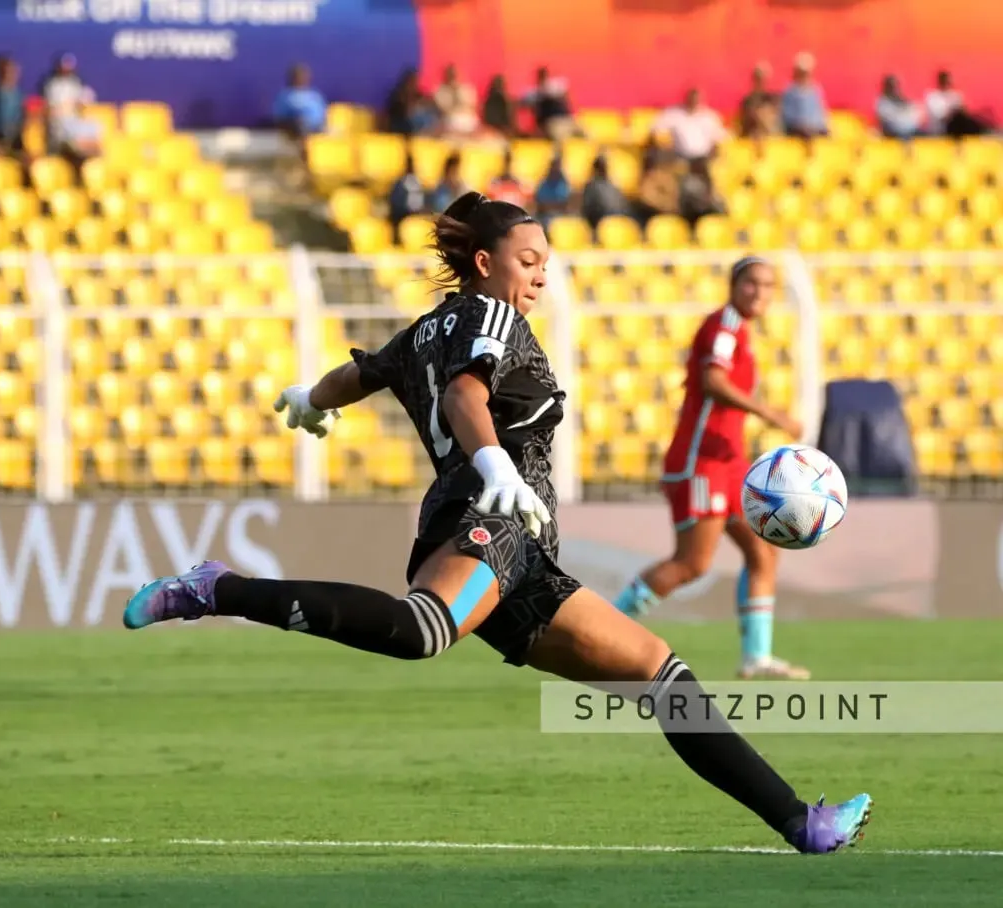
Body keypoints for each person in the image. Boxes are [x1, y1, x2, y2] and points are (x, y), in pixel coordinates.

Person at [122, 196, 870, 854]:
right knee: (422, 631)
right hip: (489, 515)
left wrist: (314, 398)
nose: (542, 274)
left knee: (662, 677)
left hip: (524, 552)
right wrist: (497, 469)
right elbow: (463, 399)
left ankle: (801, 822)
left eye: (547, 262)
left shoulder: (429, 326)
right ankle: (217, 590)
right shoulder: (490, 315)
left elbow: (366, 373)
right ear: (485, 261)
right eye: (529, 259)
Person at [613, 257, 811, 682]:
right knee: (692, 564)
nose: (759, 292)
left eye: (767, 286)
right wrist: (771, 414)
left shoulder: (740, 331)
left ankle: (756, 658)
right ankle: (602, 628)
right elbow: (713, 381)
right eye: (751, 283)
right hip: (700, 462)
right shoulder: (723, 325)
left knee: (763, 551)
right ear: (734, 286)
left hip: (729, 464)